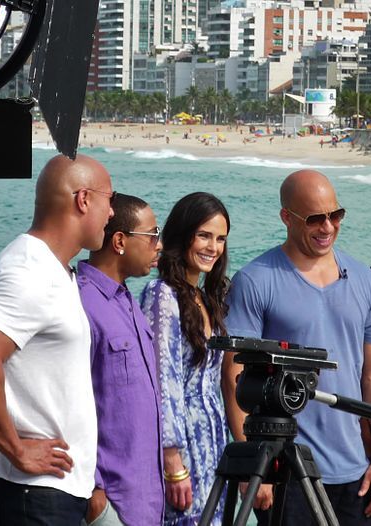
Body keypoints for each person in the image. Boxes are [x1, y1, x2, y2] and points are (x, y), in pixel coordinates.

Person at [224, 170, 371, 524]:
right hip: (283, 473)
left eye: (336, 215)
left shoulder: (366, 281)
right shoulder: (254, 280)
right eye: (315, 218)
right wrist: (253, 466)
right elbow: (234, 375)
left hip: (354, 473)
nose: (328, 227)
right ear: (286, 217)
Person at [0, 154, 115, 524]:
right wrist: (17, 450)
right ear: (83, 199)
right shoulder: (29, 269)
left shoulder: (55, 270)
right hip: (25, 492)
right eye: (110, 199)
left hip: (46, 491)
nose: (112, 212)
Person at [140, 192, 232, 525]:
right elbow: (162, 382)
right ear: (183, 235)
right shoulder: (161, 295)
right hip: (183, 449)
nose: (213, 247)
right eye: (204, 235)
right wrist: (172, 462)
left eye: (220, 239)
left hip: (213, 442)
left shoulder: (206, 298)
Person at [77, 193, 165, 525]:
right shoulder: (82, 303)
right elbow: (70, 401)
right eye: (153, 235)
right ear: (119, 242)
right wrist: (94, 495)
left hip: (146, 501)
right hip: (113, 502)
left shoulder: (127, 301)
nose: (159, 245)